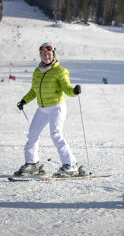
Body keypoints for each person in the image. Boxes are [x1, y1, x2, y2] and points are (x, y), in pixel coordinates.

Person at [15, 42, 82, 177]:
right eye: (43, 54)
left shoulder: (59, 71)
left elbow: (66, 87)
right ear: (41, 56)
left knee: (56, 134)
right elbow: (34, 91)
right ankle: (32, 163)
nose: (46, 56)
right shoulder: (37, 71)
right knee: (32, 134)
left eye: (49, 54)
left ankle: (71, 165)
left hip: (57, 107)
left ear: (53, 55)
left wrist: (74, 91)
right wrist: (24, 100)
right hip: (42, 108)